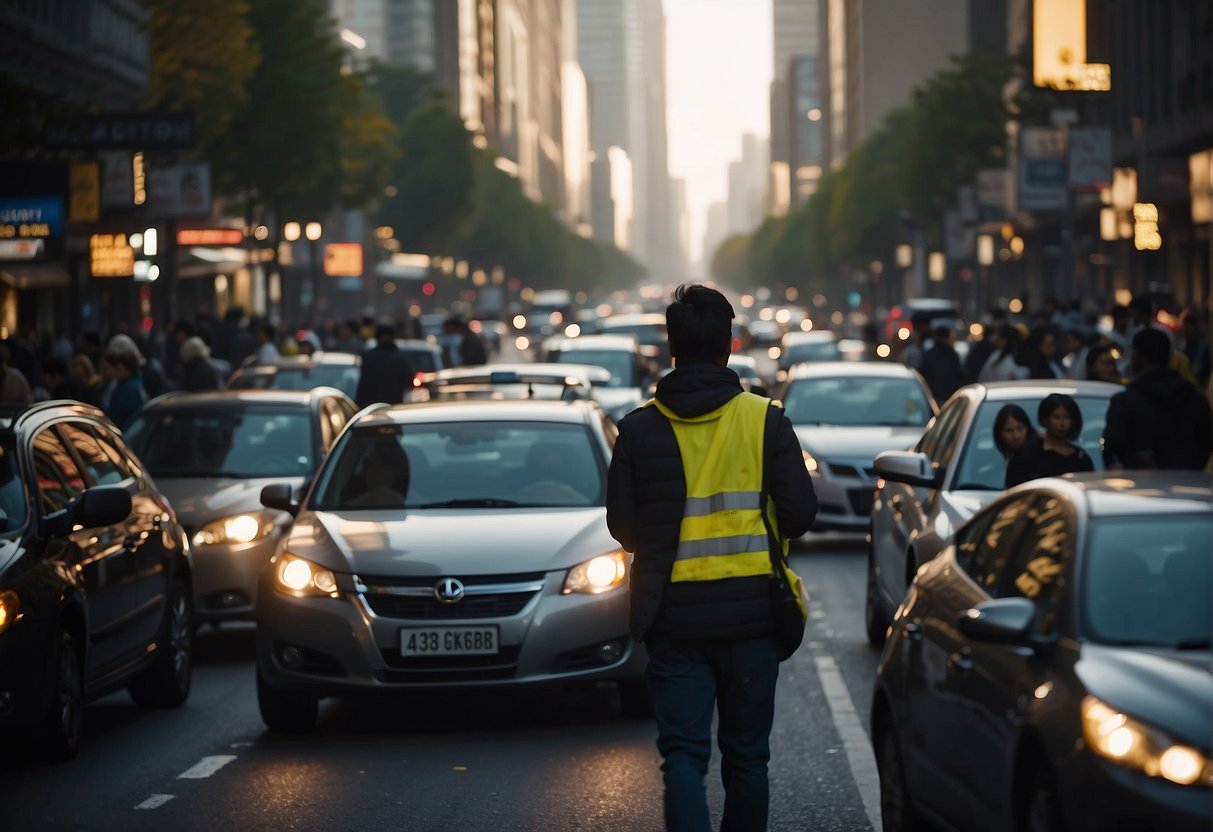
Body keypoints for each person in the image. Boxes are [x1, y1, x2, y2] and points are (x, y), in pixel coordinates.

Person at [605, 284, 816, 832]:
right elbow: (798, 514)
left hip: (672, 620)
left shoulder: (637, 428)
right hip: (753, 618)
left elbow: (623, 528)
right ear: (728, 344)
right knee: (747, 757)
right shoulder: (766, 420)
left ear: (671, 346)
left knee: (683, 756)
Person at [1102, 328, 1213, 471]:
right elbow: (1205, 445)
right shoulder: (1196, 400)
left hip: (1138, 489)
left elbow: (1112, 452)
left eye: (1134, 354)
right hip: (1188, 486)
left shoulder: (1125, 402)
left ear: (1141, 357)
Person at [1004, 393, 1094, 488]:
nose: (1062, 423)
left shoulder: (1080, 458)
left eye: (1067, 417)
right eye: (1056, 417)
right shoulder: (1026, 456)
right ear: (1045, 420)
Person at [355, 324, 415, 408]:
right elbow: (409, 382)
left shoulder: (368, 357)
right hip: (395, 406)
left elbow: (363, 384)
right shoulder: (401, 358)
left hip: (371, 407)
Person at [919, 324, 967, 404]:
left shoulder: (928, 355)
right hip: (950, 398)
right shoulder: (952, 355)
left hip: (932, 398)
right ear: (946, 338)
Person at [102, 351, 146, 430]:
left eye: (119, 369)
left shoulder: (130, 389)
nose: (116, 373)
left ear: (128, 370)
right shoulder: (121, 385)